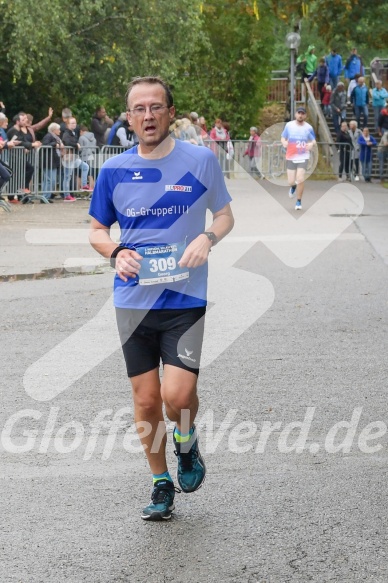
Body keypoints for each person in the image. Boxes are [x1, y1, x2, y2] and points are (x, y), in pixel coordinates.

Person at [88, 76, 234, 521]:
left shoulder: (201, 160)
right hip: (133, 300)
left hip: (185, 296)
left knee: (177, 395)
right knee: (147, 400)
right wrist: (116, 253)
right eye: (138, 109)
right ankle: (160, 482)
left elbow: (225, 215)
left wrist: (208, 238)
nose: (148, 116)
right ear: (128, 118)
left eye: (156, 107)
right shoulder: (114, 170)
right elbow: (96, 230)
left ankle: (186, 442)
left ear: (171, 112)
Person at [280, 106, 316, 211]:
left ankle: (299, 201)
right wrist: (284, 142)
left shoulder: (308, 127)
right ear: (295, 114)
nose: (300, 115)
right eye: (299, 113)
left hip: (303, 155)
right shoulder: (289, 125)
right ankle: (293, 187)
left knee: (300, 178)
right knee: (291, 181)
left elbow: (313, 140)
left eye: (302, 113)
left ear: (305, 115)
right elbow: (283, 137)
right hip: (291, 155)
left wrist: (311, 144)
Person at [62, 116, 91, 201]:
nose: (74, 125)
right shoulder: (66, 133)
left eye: (75, 123)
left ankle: (84, 185)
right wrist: (76, 144)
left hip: (74, 157)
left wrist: (76, 144)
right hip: (68, 157)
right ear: (67, 125)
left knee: (85, 167)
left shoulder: (73, 132)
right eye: (72, 123)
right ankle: (66, 195)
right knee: (67, 176)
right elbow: (67, 141)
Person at [41, 122, 63, 202]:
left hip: (52, 161)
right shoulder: (49, 136)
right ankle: (45, 197)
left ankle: (46, 196)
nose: (60, 131)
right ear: (54, 130)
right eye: (58, 129)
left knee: (50, 179)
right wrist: (55, 144)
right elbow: (45, 145)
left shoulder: (54, 137)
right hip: (48, 161)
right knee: (50, 179)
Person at [79, 125, 97, 190]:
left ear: (81, 131)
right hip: (92, 156)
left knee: (82, 173)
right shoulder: (93, 138)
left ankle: (80, 190)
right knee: (91, 174)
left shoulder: (81, 138)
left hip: (84, 157)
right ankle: (92, 190)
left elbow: (80, 149)